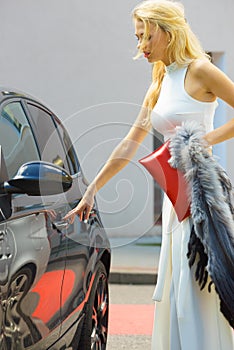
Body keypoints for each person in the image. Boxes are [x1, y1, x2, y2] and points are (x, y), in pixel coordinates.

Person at [64, 0, 234, 349]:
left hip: (200, 197)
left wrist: (204, 139)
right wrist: (92, 190)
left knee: (195, 288)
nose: (140, 46)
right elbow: (130, 142)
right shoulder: (159, 81)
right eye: (137, 37)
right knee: (176, 292)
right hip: (174, 200)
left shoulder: (201, 70)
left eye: (146, 36)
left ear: (168, 32)